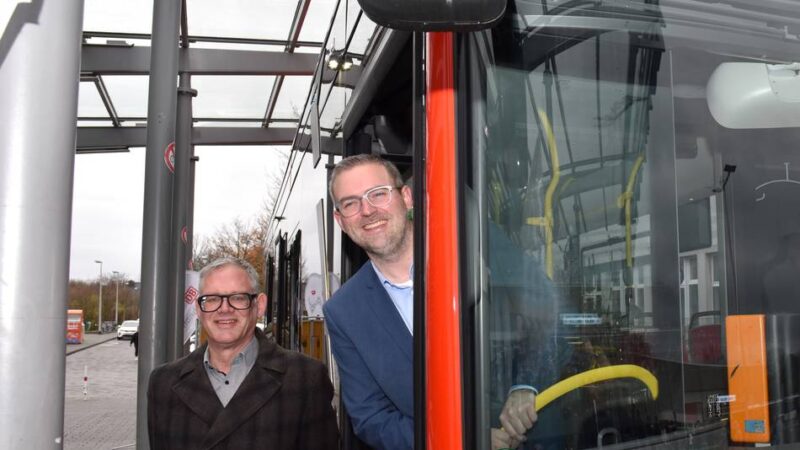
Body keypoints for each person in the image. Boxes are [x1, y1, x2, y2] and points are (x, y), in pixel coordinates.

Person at [147, 257, 339, 449]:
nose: (224, 309)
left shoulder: (306, 379)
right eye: (212, 299)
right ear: (198, 309)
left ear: (259, 305)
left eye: (238, 298)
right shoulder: (163, 383)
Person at [323, 154, 414, 450]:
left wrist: (521, 389)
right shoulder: (343, 311)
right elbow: (371, 417)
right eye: (350, 203)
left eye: (378, 194)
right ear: (340, 221)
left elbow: (542, 321)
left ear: (407, 197)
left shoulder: (472, 253)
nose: (367, 211)